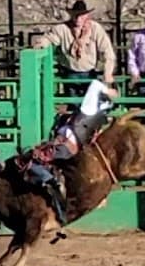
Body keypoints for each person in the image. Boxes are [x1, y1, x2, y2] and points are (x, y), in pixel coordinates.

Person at [25, 79, 119, 225]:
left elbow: (95, 84)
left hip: (64, 144)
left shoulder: (89, 108)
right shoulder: (104, 113)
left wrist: (107, 89)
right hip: (72, 149)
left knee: (31, 162)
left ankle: (50, 183)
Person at [34, 0, 115, 86]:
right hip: (70, 72)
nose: (78, 19)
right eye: (75, 16)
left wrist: (108, 72)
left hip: (90, 72)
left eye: (81, 16)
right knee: (72, 98)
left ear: (86, 16)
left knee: (90, 98)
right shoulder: (63, 29)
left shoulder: (95, 28)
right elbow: (50, 38)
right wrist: (42, 44)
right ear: (71, 15)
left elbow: (107, 51)